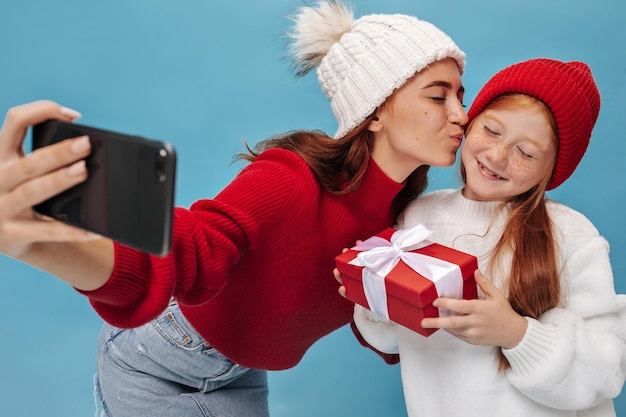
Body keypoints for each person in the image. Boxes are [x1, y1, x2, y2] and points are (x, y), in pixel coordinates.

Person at [0, 1, 468, 416]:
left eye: (461, 95)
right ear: (375, 110)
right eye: (437, 94)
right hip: (159, 357)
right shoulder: (290, 180)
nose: (460, 114)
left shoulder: (405, 224)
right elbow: (189, 248)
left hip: (241, 375)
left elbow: (380, 332)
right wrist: (38, 242)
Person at [346, 58, 626, 416]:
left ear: (551, 170)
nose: (497, 156)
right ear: (469, 121)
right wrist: (373, 296)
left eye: (526, 153)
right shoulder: (417, 218)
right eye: (491, 131)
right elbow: (392, 340)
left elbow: (606, 370)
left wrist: (516, 335)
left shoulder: (570, 235)